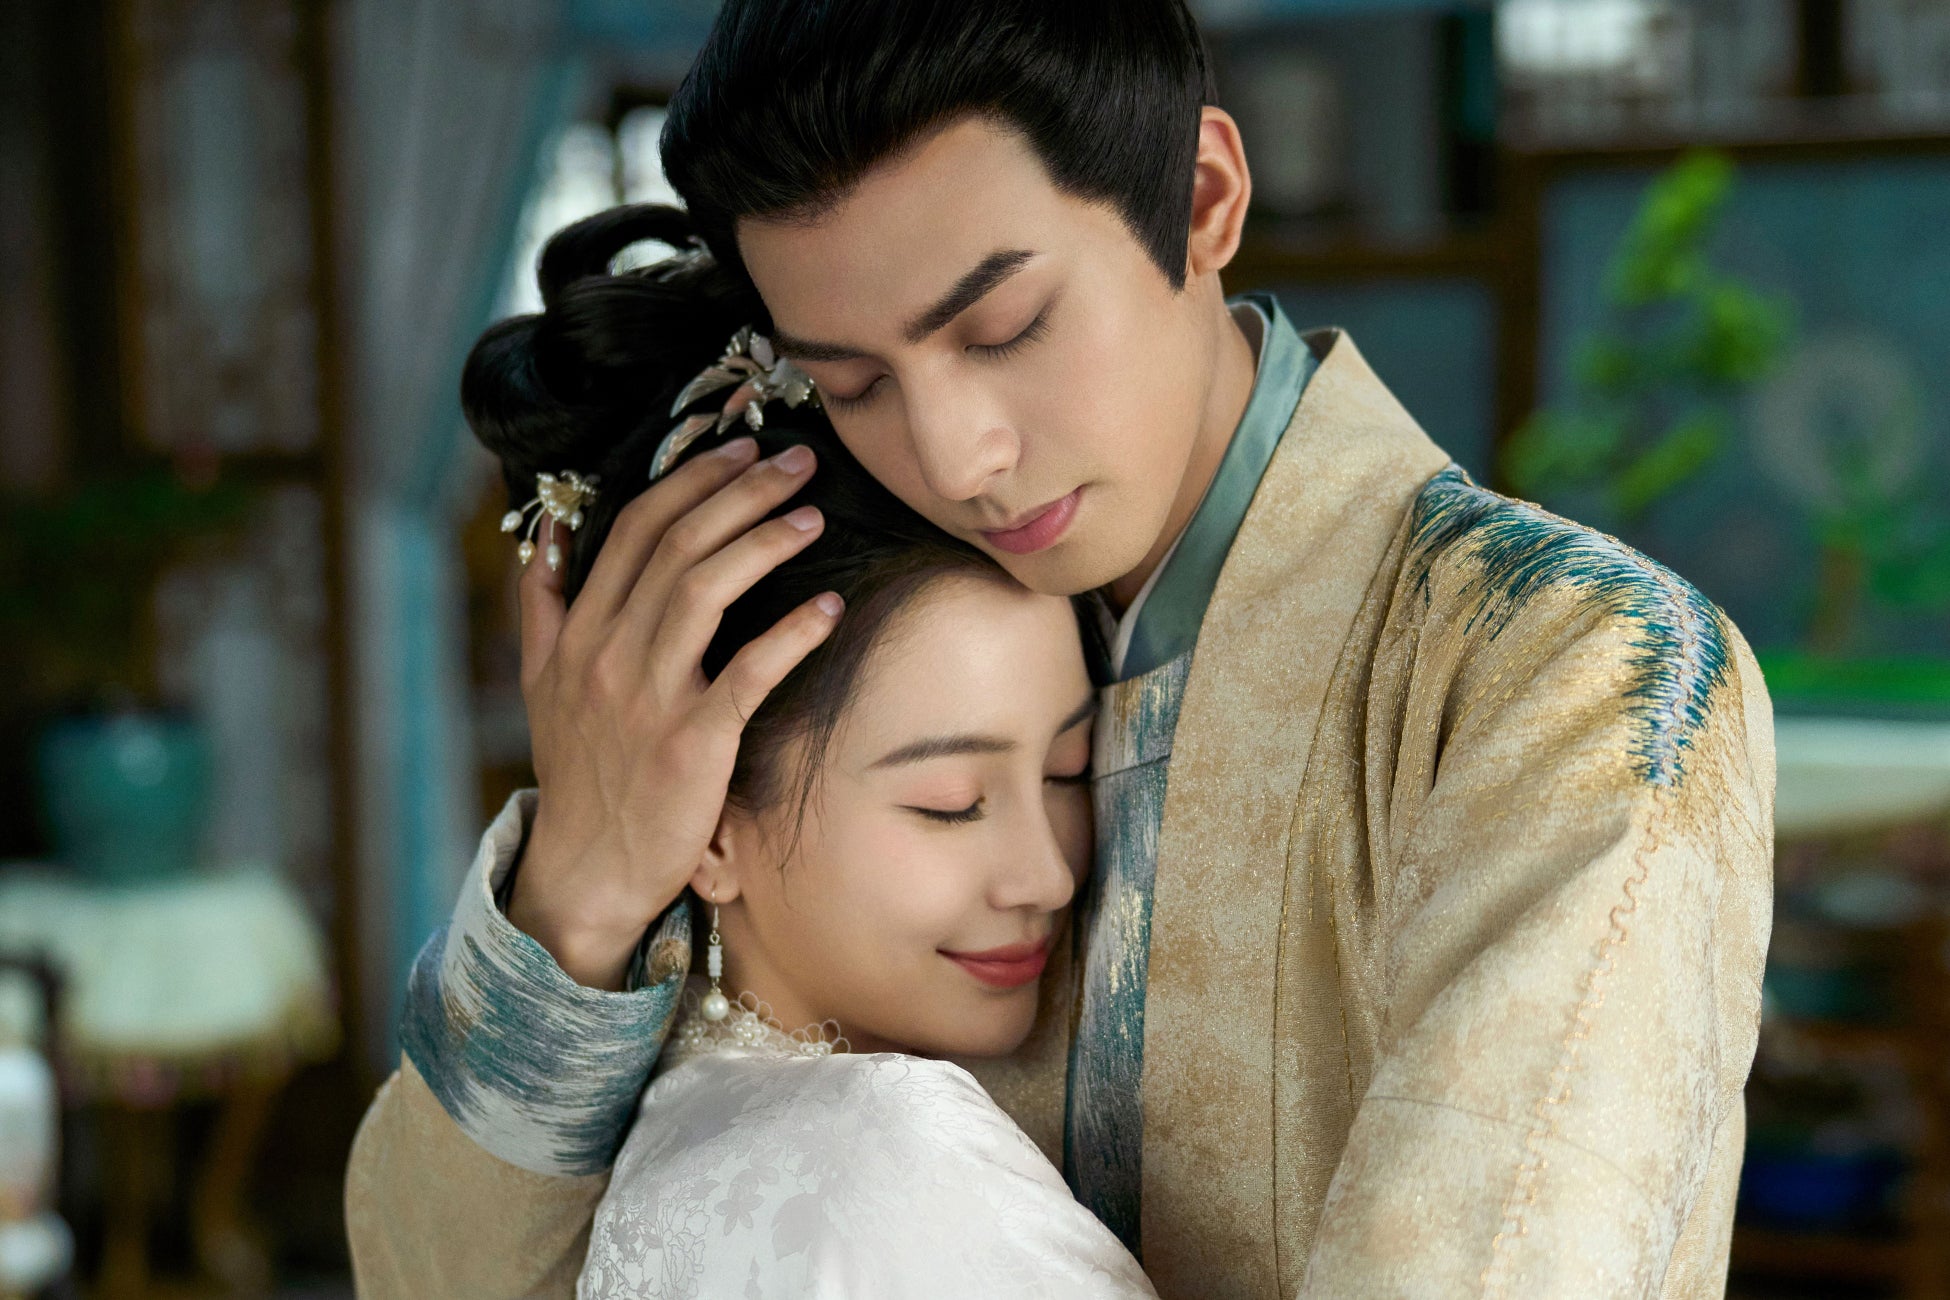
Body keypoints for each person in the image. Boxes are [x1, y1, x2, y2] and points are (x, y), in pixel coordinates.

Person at [348, 1, 1776, 1295]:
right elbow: (430, 1274)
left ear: (1203, 198)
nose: (954, 455)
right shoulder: (837, 632)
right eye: (853, 382)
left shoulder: (1563, 674)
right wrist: (582, 892)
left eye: (1006, 326)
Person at [351, 208, 1155, 1298]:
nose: (1048, 875)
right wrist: (574, 896)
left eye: (1066, 772)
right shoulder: (893, 1163)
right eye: (950, 800)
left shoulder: (709, 1135)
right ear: (710, 827)